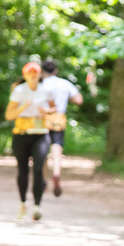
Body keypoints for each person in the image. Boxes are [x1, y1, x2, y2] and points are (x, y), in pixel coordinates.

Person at [5, 62, 55, 221]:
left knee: (39, 168)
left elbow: (54, 109)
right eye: (30, 73)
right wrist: (23, 108)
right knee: (23, 170)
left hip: (40, 133)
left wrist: (46, 111)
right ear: (25, 75)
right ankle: (23, 203)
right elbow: (9, 115)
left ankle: (37, 206)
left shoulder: (46, 90)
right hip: (22, 133)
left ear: (39, 74)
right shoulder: (19, 91)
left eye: (36, 73)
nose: (33, 75)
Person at [40, 60, 83, 197]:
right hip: (58, 119)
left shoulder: (40, 84)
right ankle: (56, 173)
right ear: (56, 71)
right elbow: (79, 100)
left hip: (43, 119)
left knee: (42, 150)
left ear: (42, 71)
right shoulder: (65, 83)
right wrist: (66, 99)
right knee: (57, 148)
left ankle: (43, 181)